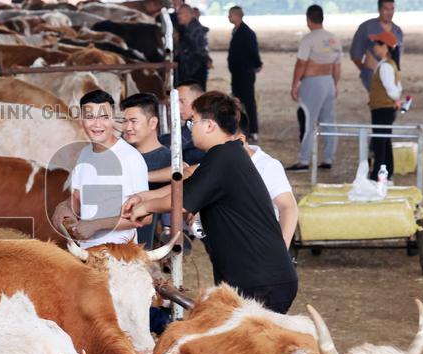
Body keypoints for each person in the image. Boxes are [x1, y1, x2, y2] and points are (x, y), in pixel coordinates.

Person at [122, 92, 298, 314]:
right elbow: (186, 186)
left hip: (259, 279)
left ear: (209, 125)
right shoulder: (226, 156)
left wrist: (145, 207)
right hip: (256, 276)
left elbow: (182, 202)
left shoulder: (223, 158)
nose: (190, 128)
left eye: (192, 121)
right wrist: (143, 197)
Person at [51, 89, 149, 247]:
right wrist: (63, 206)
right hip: (87, 252)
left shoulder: (131, 158)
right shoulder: (84, 154)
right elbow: (77, 197)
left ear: (113, 119)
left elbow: (145, 217)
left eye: (104, 117)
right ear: (81, 120)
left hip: (119, 252)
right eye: (90, 117)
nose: (97, 124)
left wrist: (97, 224)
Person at [287, 4, 341, 172]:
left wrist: (295, 84)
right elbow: (337, 65)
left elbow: (301, 63)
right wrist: (335, 84)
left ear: (309, 20)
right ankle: (328, 158)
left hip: (312, 82)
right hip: (328, 81)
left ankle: (303, 160)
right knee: (328, 121)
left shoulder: (309, 39)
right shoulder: (333, 38)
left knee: (308, 120)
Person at [236, 112, 298, 248]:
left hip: (260, 252)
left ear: (240, 139)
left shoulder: (267, 166)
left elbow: (288, 208)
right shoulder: (217, 163)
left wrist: (281, 253)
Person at [120, 92, 171, 248]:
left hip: (144, 245)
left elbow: (185, 172)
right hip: (110, 241)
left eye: (133, 121)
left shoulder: (167, 159)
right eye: (124, 121)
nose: (127, 127)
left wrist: (141, 176)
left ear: (152, 123)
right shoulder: (118, 154)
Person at [366, 30, 403, 181]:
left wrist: (395, 98)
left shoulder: (385, 66)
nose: (374, 47)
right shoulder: (389, 64)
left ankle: (378, 173)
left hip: (382, 108)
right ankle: (387, 170)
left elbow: (392, 89)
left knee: (379, 141)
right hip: (384, 108)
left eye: (377, 44)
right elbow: (397, 87)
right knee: (385, 140)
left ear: (385, 47)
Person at [350, 0, 403, 91]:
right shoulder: (366, 28)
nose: (390, 13)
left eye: (392, 9)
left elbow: (398, 57)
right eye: (386, 9)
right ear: (379, 10)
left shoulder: (397, 31)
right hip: (372, 75)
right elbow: (355, 53)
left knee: (389, 102)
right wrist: (365, 70)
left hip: (392, 75)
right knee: (379, 102)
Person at [227, 5, 262, 140]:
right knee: (237, 101)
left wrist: (257, 64)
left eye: (230, 14)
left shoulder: (247, 32)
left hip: (245, 72)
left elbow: (253, 51)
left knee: (249, 101)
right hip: (237, 73)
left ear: (237, 16)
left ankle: (253, 130)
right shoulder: (236, 30)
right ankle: (240, 127)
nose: (229, 17)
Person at [157, 82, 205, 168]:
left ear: (198, 99)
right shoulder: (189, 125)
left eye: (182, 101)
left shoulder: (202, 128)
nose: (177, 106)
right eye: (175, 102)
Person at [173, 4, 211, 90]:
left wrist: (207, 60)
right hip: (189, 70)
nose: (178, 16)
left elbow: (201, 50)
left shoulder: (196, 29)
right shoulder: (186, 28)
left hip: (194, 71)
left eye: (180, 14)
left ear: (187, 14)